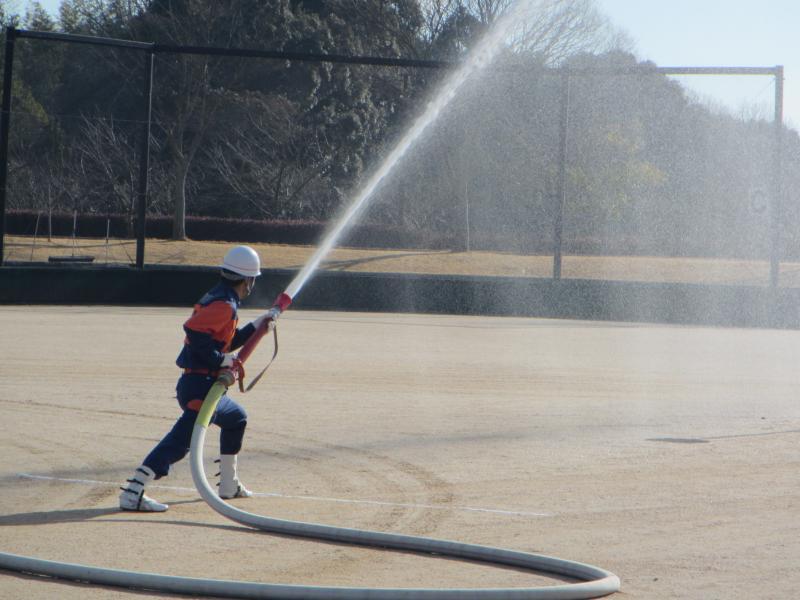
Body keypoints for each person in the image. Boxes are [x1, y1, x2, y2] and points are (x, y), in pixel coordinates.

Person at [119, 245, 276, 512]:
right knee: (180, 442)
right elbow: (195, 335)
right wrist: (219, 360)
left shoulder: (225, 299)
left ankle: (228, 484)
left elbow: (226, 342)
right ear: (247, 279)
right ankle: (134, 491)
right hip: (200, 387)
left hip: (206, 386)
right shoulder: (224, 304)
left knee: (236, 419)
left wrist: (257, 325)